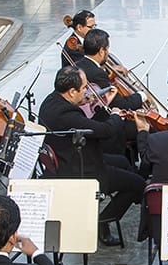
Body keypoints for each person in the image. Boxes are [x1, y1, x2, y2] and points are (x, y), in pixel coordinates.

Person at [38, 66, 143, 246]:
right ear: (71, 91)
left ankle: (105, 210)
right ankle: (101, 221)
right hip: (81, 170)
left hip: (70, 158)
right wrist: (116, 114)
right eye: (84, 88)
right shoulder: (67, 115)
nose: (87, 91)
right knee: (139, 185)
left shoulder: (50, 101)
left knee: (124, 162)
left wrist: (101, 104)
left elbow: (86, 124)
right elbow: (105, 130)